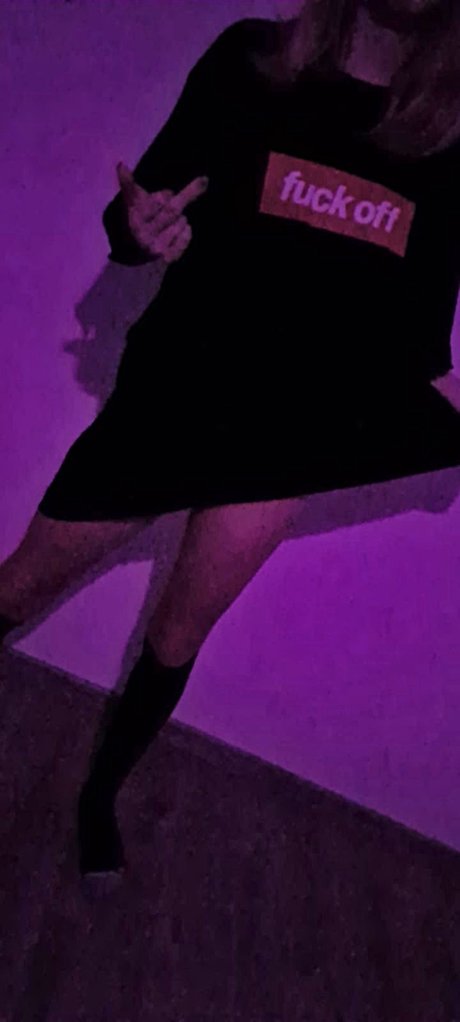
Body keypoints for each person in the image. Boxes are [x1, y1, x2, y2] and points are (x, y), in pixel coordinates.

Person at [0, 0, 459, 883]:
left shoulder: (447, 141)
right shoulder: (252, 59)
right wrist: (139, 229)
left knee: (177, 635)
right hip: (175, 397)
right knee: (20, 585)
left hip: (289, 435)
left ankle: (99, 798)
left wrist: (440, 408)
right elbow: (137, 217)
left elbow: (417, 337)